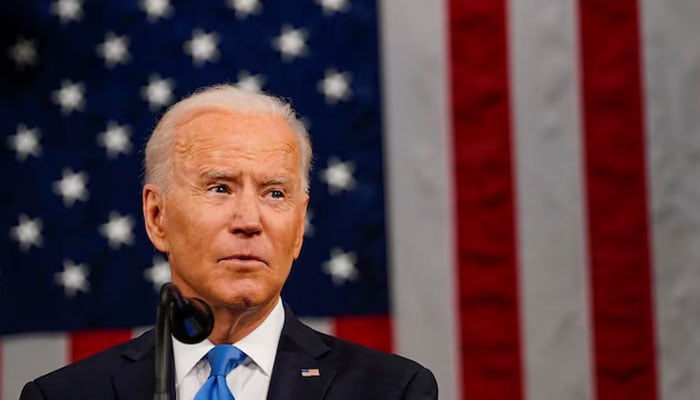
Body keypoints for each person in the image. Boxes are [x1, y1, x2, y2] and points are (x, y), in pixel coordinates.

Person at [19, 84, 438, 400]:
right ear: (156, 216)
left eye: (275, 193)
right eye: (220, 188)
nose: (250, 221)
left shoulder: (392, 391)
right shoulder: (62, 396)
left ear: (299, 226)